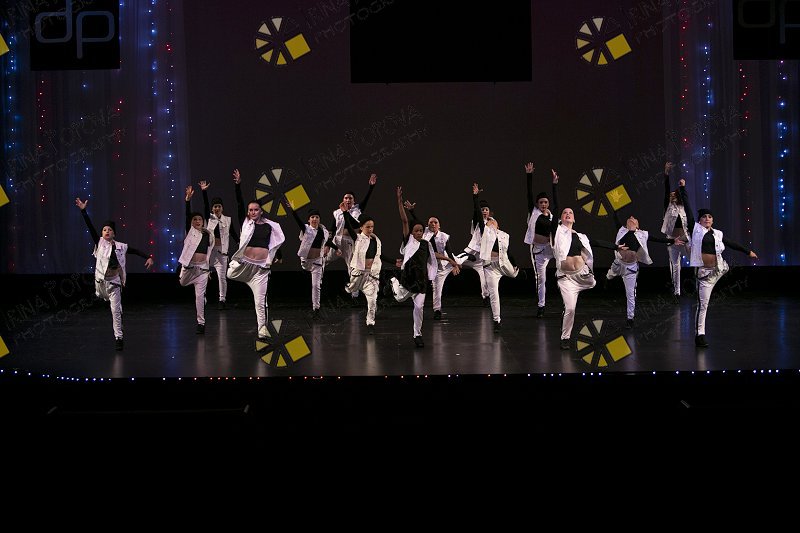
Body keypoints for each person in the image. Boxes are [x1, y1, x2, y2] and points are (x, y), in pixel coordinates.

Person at [75, 197, 154, 350]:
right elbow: (90, 227)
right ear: (102, 233)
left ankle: (119, 337)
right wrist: (84, 211)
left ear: (114, 234)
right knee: (103, 298)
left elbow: (135, 250)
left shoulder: (121, 246)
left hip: (114, 283)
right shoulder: (99, 243)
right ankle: (116, 313)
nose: (107, 231)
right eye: (104, 230)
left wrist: (148, 257)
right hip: (100, 284)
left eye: (110, 230)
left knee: (115, 311)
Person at [553, 207, 625, 350]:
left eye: (570, 213)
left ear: (574, 219)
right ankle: (565, 338)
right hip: (567, 279)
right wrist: (555, 194)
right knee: (570, 309)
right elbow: (556, 208)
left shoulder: (581, 237)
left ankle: (604, 278)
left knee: (593, 282)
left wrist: (615, 247)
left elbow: (596, 242)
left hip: (581, 275)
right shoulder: (556, 233)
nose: (568, 214)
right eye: (565, 212)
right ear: (560, 218)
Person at [229, 169, 285, 343]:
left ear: (261, 211)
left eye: (256, 210)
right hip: (245, 266)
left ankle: (262, 332)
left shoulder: (269, 226)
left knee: (260, 303)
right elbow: (239, 204)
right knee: (229, 274)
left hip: (260, 271)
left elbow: (275, 243)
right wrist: (238, 186)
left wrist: (278, 255)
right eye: (251, 210)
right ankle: (234, 268)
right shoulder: (246, 223)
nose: (253, 212)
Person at [688, 208, 757, 347]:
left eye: (710, 216)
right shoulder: (695, 230)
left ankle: (724, 268)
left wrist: (748, 251)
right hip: (705, 275)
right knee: (703, 305)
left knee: (724, 268)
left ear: (712, 220)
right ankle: (700, 335)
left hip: (718, 270)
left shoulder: (718, 233)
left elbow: (731, 244)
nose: (707, 218)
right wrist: (683, 194)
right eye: (704, 216)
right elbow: (689, 213)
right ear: (699, 220)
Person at [605, 208, 684, 328]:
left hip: (630, 268)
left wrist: (672, 240)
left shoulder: (643, 234)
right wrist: (616, 208)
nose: (631, 217)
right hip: (618, 262)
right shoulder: (622, 230)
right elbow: (615, 217)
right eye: (629, 218)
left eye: (634, 218)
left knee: (630, 294)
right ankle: (608, 276)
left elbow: (658, 239)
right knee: (610, 274)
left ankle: (630, 318)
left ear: (637, 225)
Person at [385, 187, 438, 347]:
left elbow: (434, 258)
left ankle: (417, 334)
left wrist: (450, 261)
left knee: (419, 307)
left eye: (421, 230)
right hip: (407, 280)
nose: (419, 233)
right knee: (399, 298)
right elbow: (404, 221)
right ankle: (393, 282)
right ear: (412, 233)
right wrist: (399, 201)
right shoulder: (408, 241)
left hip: (421, 282)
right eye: (416, 231)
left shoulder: (426, 244)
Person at [470, 182, 519, 331]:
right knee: (494, 293)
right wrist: (475, 197)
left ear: (498, 225)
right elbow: (478, 217)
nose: (491, 223)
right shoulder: (484, 231)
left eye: (493, 222)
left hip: (503, 263)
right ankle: (497, 320)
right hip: (490, 266)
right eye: (488, 222)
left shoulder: (503, 236)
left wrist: (515, 263)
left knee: (514, 273)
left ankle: (517, 273)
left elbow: (508, 251)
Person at [403, 200, 461, 320]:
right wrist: (412, 211)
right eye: (431, 222)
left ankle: (467, 255)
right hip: (434, 265)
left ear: (439, 225)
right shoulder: (424, 233)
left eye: (435, 222)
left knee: (462, 260)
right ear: (427, 225)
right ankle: (437, 310)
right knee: (437, 288)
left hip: (445, 263)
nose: (433, 224)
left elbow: (449, 251)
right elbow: (417, 221)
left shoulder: (444, 236)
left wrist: (454, 264)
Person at [283, 198, 339, 319]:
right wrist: (293, 210)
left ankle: (316, 309)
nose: (314, 219)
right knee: (308, 278)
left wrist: (336, 248)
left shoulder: (324, 231)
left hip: (317, 261)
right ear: (309, 220)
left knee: (316, 286)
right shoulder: (306, 229)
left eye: (317, 217)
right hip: (306, 261)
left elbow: (328, 241)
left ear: (319, 219)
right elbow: (298, 221)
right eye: (312, 217)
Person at [327, 173, 377, 302]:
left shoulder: (357, 210)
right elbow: (332, 228)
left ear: (353, 201)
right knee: (324, 259)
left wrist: (371, 187)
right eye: (346, 198)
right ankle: (317, 277)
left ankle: (354, 293)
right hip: (337, 240)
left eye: (350, 198)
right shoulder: (337, 212)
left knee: (352, 267)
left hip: (350, 242)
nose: (348, 200)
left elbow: (355, 224)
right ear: (343, 200)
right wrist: (328, 243)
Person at [345, 216, 395, 334]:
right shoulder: (358, 238)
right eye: (368, 227)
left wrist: (394, 262)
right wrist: (345, 213)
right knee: (351, 289)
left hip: (372, 274)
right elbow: (349, 227)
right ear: (361, 227)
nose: (370, 229)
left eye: (372, 227)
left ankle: (370, 323)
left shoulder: (376, 241)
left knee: (372, 300)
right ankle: (350, 287)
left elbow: (380, 255)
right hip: (358, 273)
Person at [523, 162, 559, 318]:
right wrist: (529, 175)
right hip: (539, 250)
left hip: (551, 248)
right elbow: (529, 195)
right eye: (541, 202)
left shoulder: (552, 216)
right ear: (537, 204)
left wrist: (554, 184)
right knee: (541, 279)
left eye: (545, 202)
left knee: (565, 266)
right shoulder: (534, 213)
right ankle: (541, 306)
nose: (543, 204)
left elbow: (557, 205)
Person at [179, 185, 215, 334]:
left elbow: (207, 211)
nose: (198, 221)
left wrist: (204, 192)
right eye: (195, 219)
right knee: (182, 283)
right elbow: (187, 216)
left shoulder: (207, 234)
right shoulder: (190, 231)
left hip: (202, 271)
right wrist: (187, 201)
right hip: (189, 269)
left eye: (200, 219)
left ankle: (201, 323)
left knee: (199, 297)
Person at [454, 181, 495, 306]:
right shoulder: (478, 221)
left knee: (484, 278)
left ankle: (485, 297)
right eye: (482, 209)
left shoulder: (492, 221)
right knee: (454, 261)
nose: (484, 211)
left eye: (486, 209)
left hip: (481, 257)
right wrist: (475, 197)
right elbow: (476, 212)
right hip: (472, 251)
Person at [200, 180, 238, 310]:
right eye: (215, 206)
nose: (217, 208)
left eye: (219, 206)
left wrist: (239, 242)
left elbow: (233, 233)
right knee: (203, 275)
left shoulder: (227, 220)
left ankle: (222, 300)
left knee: (222, 278)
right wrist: (204, 192)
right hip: (210, 252)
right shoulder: (209, 218)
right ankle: (202, 297)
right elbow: (205, 206)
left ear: (222, 208)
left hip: (222, 253)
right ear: (212, 208)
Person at [661, 162, 692, 302]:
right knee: (675, 265)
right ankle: (677, 292)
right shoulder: (667, 207)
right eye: (671, 195)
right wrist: (666, 174)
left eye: (675, 195)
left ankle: (700, 284)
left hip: (684, 238)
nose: (672, 196)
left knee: (695, 259)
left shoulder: (683, 207)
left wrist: (682, 187)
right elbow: (666, 189)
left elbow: (685, 198)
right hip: (672, 239)